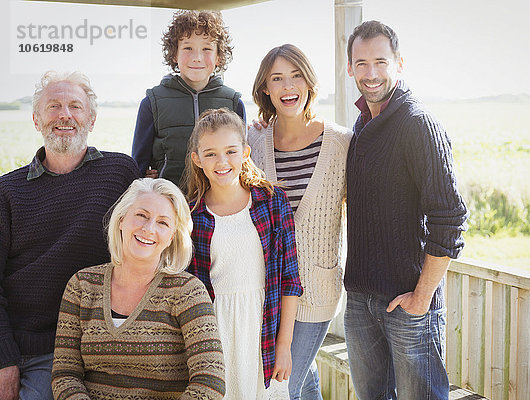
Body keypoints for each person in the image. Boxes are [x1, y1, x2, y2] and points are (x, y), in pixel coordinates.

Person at [343, 20, 469, 400]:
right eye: (361, 63)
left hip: (408, 303)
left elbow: (450, 219)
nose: (371, 73)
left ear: (399, 62)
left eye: (380, 62)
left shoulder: (418, 124)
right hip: (360, 302)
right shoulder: (364, 123)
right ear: (350, 68)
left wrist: (422, 297)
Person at [0, 71, 140, 400]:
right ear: (36, 119)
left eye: (75, 106)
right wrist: (5, 360)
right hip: (33, 350)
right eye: (53, 106)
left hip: (103, 343)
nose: (65, 115)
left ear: (91, 119)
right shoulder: (7, 191)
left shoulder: (120, 173)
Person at [51, 178, 226, 399]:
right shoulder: (82, 285)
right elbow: (65, 374)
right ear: (122, 219)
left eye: (163, 223)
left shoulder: (188, 292)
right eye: (141, 215)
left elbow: (210, 381)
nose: (149, 228)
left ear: (172, 236)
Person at [248, 44, 351, 400]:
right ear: (265, 88)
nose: (287, 86)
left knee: (281, 386)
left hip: (316, 289)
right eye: (277, 78)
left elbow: (365, 209)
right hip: (268, 289)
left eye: (295, 76)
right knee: (302, 379)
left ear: (309, 83)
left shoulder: (341, 143)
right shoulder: (253, 140)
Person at [184, 108, 303, 399]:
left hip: (263, 327)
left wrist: (284, 347)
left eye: (230, 151)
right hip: (212, 329)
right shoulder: (190, 215)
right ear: (197, 159)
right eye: (210, 154)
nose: (222, 161)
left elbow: (290, 280)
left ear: (245, 153)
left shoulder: (273, 202)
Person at [131, 9, 246, 186]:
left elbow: (241, 159)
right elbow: (138, 164)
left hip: (217, 204)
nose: (197, 57)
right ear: (174, 54)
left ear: (219, 57)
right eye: (187, 48)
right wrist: (144, 181)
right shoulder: (153, 102)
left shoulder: (233, 102)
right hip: (171, 201)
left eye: (207, 48)